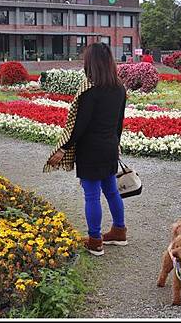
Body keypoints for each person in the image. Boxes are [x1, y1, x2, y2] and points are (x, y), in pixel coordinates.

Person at [44, 42, 127, 256]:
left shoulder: (90, 90)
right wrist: (115, 144)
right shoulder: (119, 88)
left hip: (90, 150)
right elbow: (119, 123)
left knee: (92, 196)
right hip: (109, 147)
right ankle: (119, 231)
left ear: (92, 63)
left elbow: (80, 125)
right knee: (111, 191)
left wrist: (64, 147)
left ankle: (95, 240)